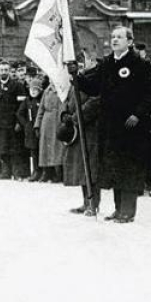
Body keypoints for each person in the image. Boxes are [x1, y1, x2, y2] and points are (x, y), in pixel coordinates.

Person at [70, 26, 151, 223]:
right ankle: (119, 209)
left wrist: (138, 114)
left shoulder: (141, 64)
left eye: (119, 37)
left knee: (129, 168)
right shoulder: (108, 63)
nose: (115, 40)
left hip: (131, 126)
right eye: (112, 37)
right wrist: (76, 76)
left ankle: (128, 210)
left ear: (130, 41)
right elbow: (93, 85)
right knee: (115, 168)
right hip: (111, 126)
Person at [61, 85, 101, 216]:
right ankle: (86, 201)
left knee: (90, 167)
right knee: (81, 167)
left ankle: (93, 203)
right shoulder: (75, 83)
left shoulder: (94, 81)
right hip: (77, 130)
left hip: (90, 130)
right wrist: (65, 115)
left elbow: (94, 102)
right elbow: (66, 101)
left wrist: (75, 118)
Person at [0, 60, 28, 180]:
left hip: (12, 124)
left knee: (15, 149)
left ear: (10, 71)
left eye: (6, 70)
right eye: (2, 70)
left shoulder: (17, 86)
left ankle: (16, 172)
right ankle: (5, 171)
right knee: (2, 148)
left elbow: (22, 106)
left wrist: (18, 122)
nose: (4, 72)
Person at [35, 82, 65, 183]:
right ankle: (46, 172)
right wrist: (37, 125)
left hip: (58, 120)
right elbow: (41, 109)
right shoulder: (46, 91)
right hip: (46, 122)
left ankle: (58, 173)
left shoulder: (63, 90)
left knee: (57, 148)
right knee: (45, 148)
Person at [16, 79, 42, 181]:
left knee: (41, 150)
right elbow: (19, 113)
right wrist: (25, 124)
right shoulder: (27, 101)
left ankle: (43, 171)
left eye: (36, 89)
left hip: (40, 128)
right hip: (30, 130)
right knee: (33, 151)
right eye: (31, 89)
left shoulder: (41, 99)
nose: (33, 91)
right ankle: (35, 171)